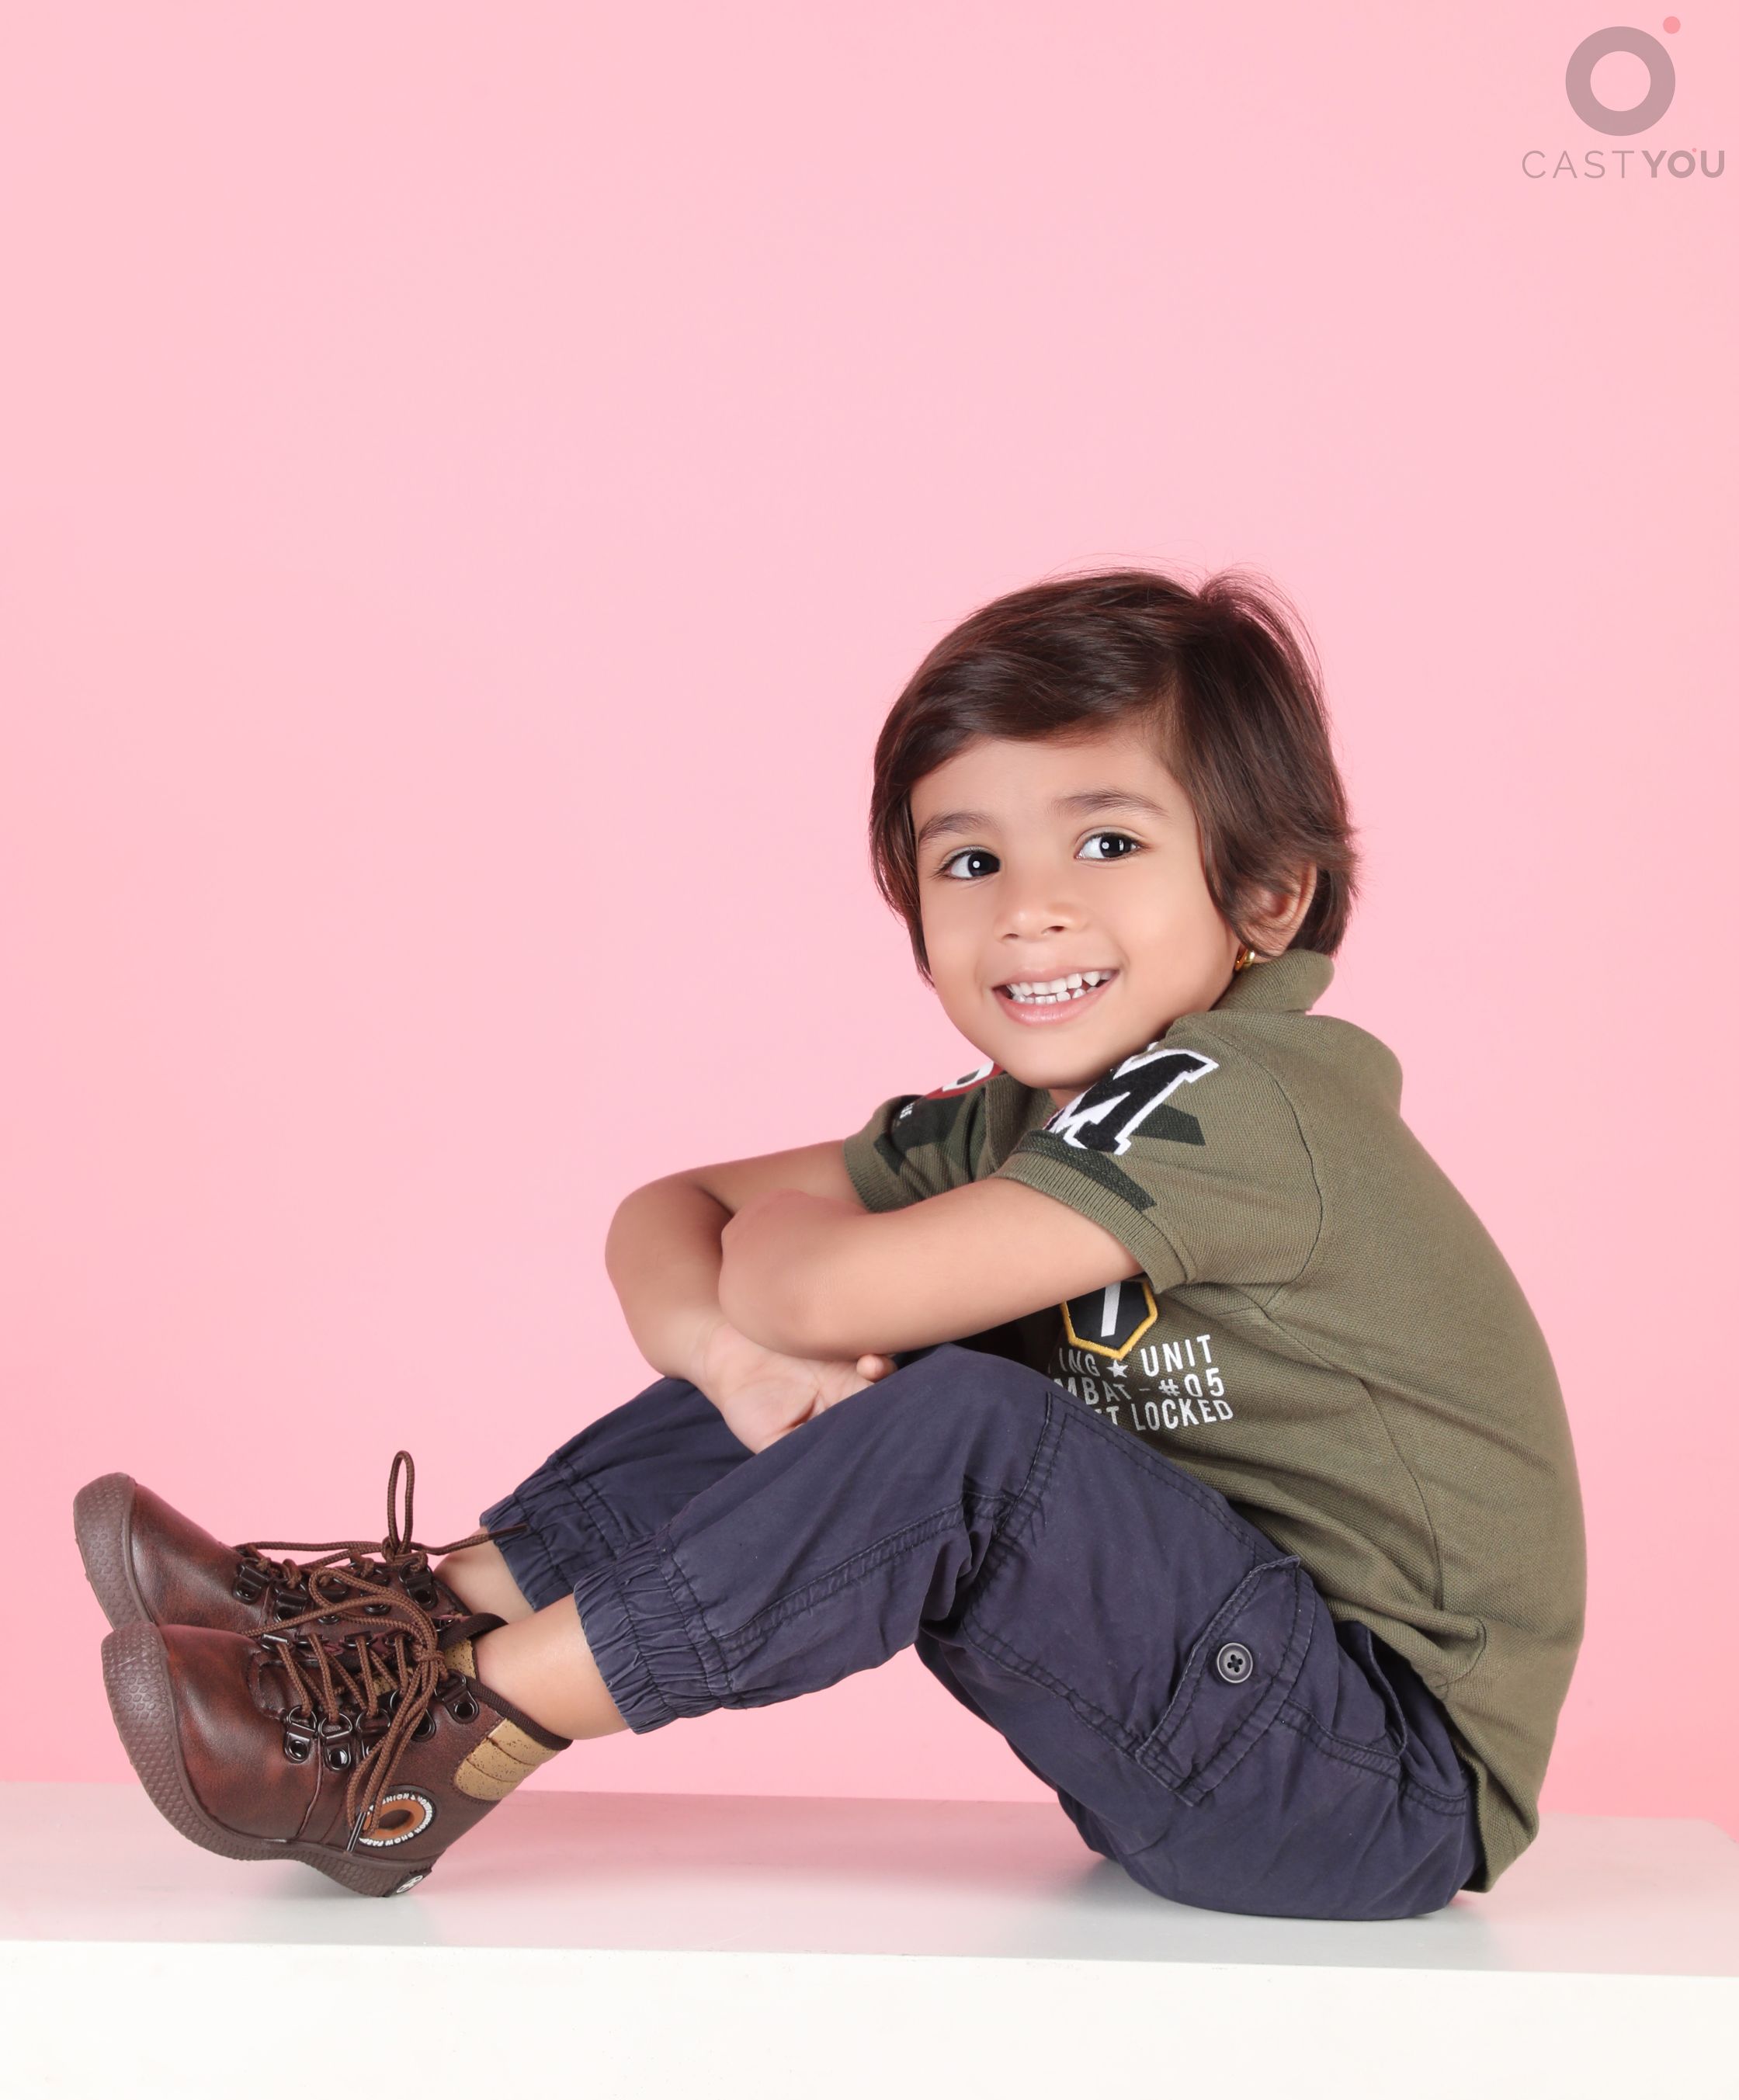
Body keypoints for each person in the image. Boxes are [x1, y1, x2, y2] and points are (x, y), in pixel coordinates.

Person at [75, 571, 1585, 1918]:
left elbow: (810, 1276)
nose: (1032, 913)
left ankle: (427, 1741)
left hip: (1374, 1780)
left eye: (1108, 842)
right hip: (1202, 1726)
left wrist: (790, 1276)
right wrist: (738, 1364)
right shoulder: (1022, 1123)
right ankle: (392, 1631)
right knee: (853, 1373)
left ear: (1265, 894)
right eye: (970, 864)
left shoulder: (1244, 1100)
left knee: (957, 1419)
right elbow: (668, 1213)